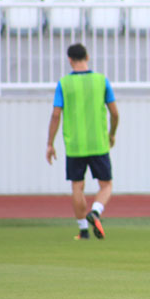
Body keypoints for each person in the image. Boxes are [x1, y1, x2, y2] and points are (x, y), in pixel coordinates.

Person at [46, 43, 119, 241]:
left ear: (70, 60)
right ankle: (95, 211)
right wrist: (112, 134)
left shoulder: (64, 84)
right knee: (106, 185)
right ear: (88, 57)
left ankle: (83, 231)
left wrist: (50, 144)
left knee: (77, 186)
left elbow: (55, 115)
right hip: (98, 143)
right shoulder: (101, 81)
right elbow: (114, 113)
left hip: (75, 145)